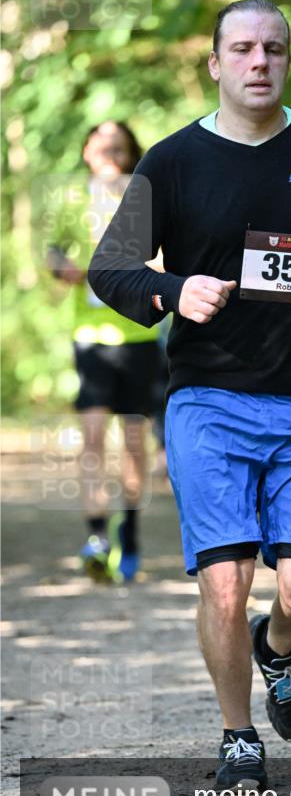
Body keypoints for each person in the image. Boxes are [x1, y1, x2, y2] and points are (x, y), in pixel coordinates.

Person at [89, 0, 291, 789]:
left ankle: (278, 646)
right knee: (224, 576)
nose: (261, 62)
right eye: (245, 50)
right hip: (207, 399)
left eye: (275, 50)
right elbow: (109, 269)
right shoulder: (172, 161)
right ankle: (236, 736)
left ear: (288, 61)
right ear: (216, 65)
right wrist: (171, 289)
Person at [47, 121, 164, 583]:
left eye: (119, 145)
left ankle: (129, 531)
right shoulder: (72, 199)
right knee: (93, 436)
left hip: (137, 337)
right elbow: (53, 253)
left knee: (134, 442)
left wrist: (147, 270)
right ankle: (96, 535)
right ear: (86, 150)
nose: (110, 151)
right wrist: (67, 269)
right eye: (101, 143)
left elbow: (168, 255)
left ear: (131, 153)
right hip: (91, 338)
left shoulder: (143, 197)